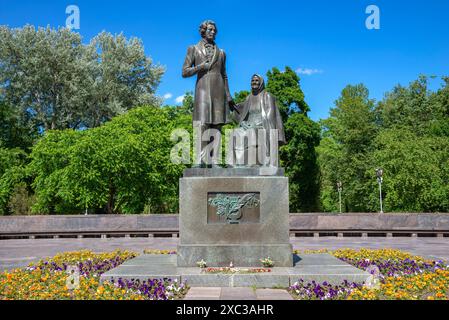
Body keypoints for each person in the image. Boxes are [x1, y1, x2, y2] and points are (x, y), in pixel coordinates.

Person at [182, 20, 235, 167]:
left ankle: (215, 161)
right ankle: (200, 160)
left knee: (217, 126)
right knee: (202, 124)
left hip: (219, 92)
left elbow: (224, 75)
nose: (213, 32)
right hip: (203, 90)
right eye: (210, 30)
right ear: (203, 31)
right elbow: (185, 72)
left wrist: (229, 96)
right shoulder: (193, 49)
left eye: (214, 30)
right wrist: (200, 66)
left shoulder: (222, 52)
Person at [230, 74, 285, 167]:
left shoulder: (267, 96)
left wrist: (255, 125)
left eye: (256, 80)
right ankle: (235, 164)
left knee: (252, 131)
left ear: (261, 83)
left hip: (263, 126)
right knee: (234, 132)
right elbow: (243, 114)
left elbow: (269, 116)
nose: (254, 82)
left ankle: (252, 163)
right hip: (249, 125)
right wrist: (243, 123)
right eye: (252, 81)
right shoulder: (248, 98)